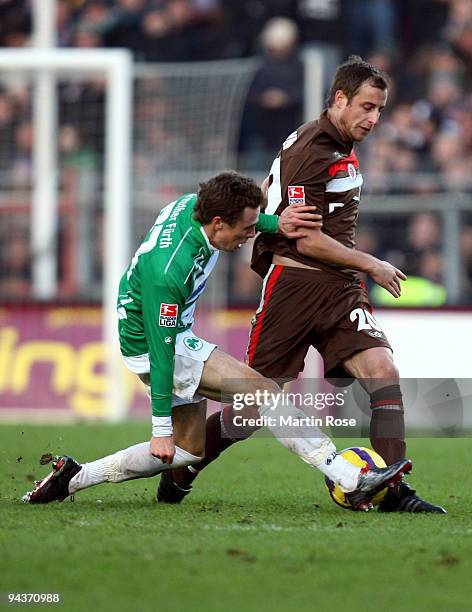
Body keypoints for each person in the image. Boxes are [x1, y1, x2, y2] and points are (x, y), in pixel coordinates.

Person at [23, 172, 411, 509]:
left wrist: (277, 225)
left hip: (167, 331)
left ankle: (73, 477)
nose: (249, 236)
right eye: (245, 229)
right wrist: (159, 429)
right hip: (155, 342)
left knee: (189, 448)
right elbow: (162, 355)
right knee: (260, 391)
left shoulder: (198, 207)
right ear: (218, 223)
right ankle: (349, 478)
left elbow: (251, 220)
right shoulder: (168, 271)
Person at [160, 58, 446, 514]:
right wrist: (371, 263)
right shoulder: (311, 150)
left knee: (383, 373)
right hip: (294, 287)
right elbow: (305, 239)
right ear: (339, 99)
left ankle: (392, 491)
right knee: (252, 408)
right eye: (367, 107)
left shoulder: (340, 144)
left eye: (379, 110)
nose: (373, 119)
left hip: (339, 290)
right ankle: (181, 470)